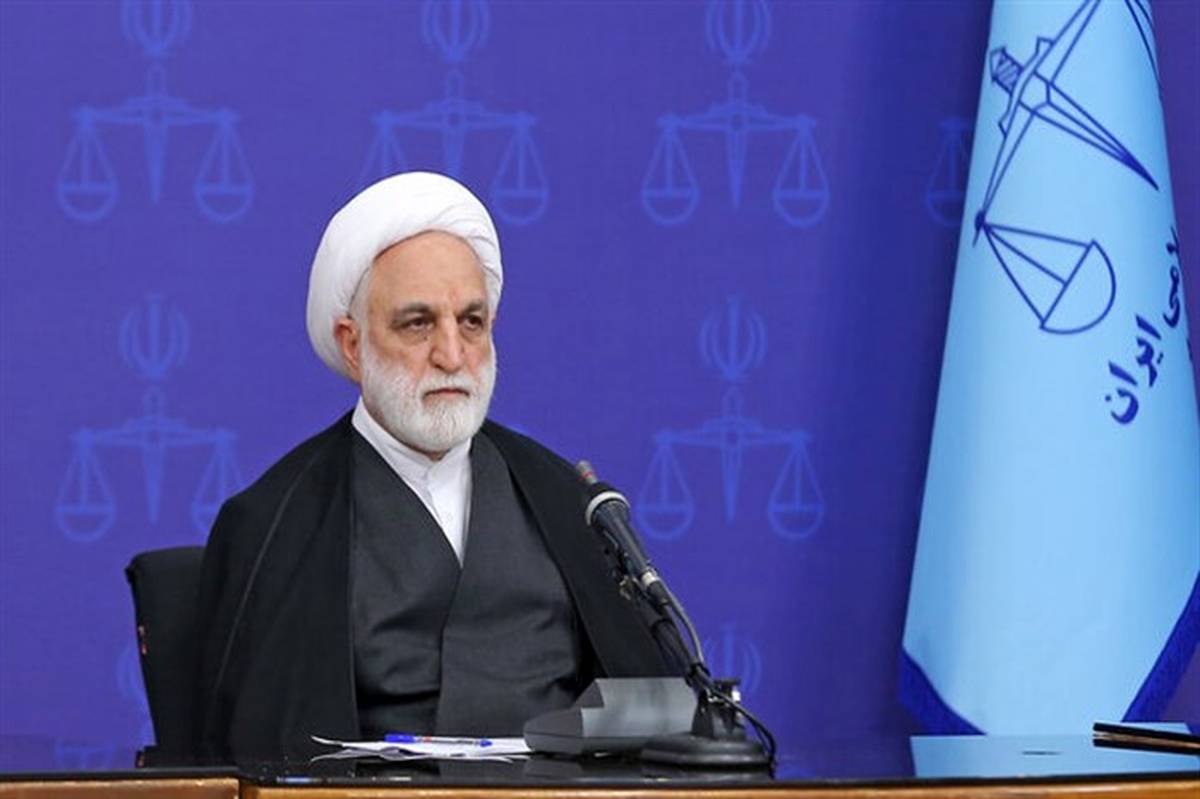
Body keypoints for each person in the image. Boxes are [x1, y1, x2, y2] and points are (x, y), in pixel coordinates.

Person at [192, 172, 672, 757]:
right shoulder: (269, 524)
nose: (451, 355)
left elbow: (655, 718)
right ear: (353, 344)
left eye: (471, 322)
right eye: (417, 323)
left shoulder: (566, 499)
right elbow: (248, 752)